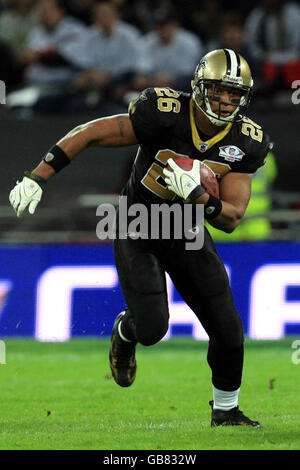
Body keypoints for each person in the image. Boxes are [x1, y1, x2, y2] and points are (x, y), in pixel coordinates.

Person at [9, 49, 272, 427]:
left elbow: (231, 218)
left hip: (186, 229)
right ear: (199, 86)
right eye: (218, 90)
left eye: (235, 93)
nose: (226, 100)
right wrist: (38, 176)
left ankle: (226, 411)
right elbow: (90, 133)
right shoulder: (163, 112)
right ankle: (124, 329)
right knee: (152, 329)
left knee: (228, 329)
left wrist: (197, 196)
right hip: (138, 224)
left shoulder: (247, 140)